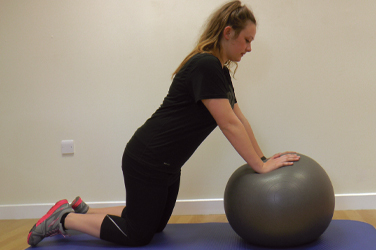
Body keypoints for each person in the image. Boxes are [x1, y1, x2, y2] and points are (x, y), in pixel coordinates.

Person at [27, 0, 300, 247]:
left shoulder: (220, 72)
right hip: (148, 160)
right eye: (247, 40)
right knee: (138, 234)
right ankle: (63, 218)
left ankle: (84, 211)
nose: (249, 48)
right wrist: (260, 166)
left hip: (167, 166)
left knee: (154, 225)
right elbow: (228, 125)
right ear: (228, 33)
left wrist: (263, 157)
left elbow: (240, 120)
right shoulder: (205, 65)